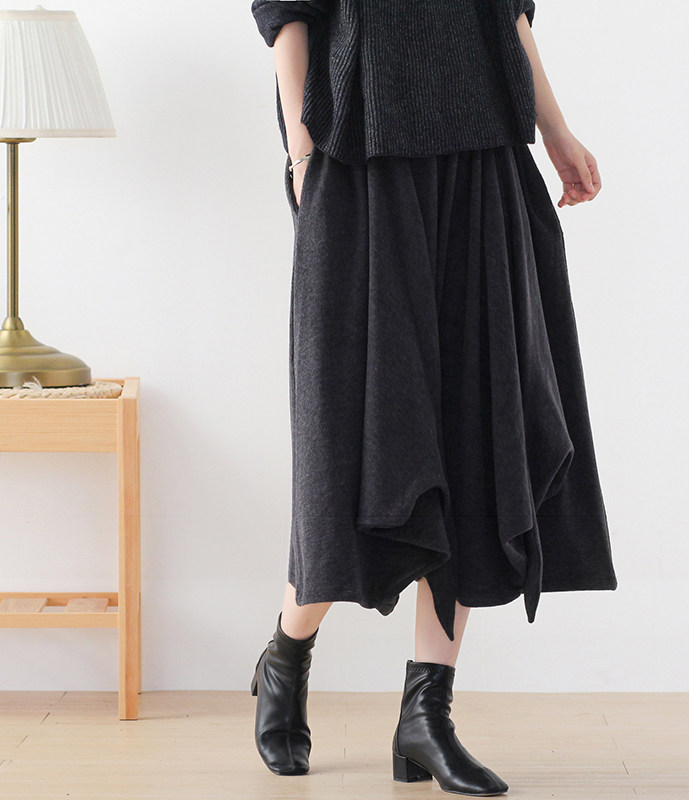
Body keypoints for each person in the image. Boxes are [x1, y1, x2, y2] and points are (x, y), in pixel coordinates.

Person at [248, 0, 618, 795]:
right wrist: (302, 155)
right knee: (353, 448)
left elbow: (508, 15)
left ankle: (427, 714)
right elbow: (287, 18)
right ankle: (287, 651)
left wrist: (557, 133)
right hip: (360, 159)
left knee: (473, 432)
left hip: (483, 159)